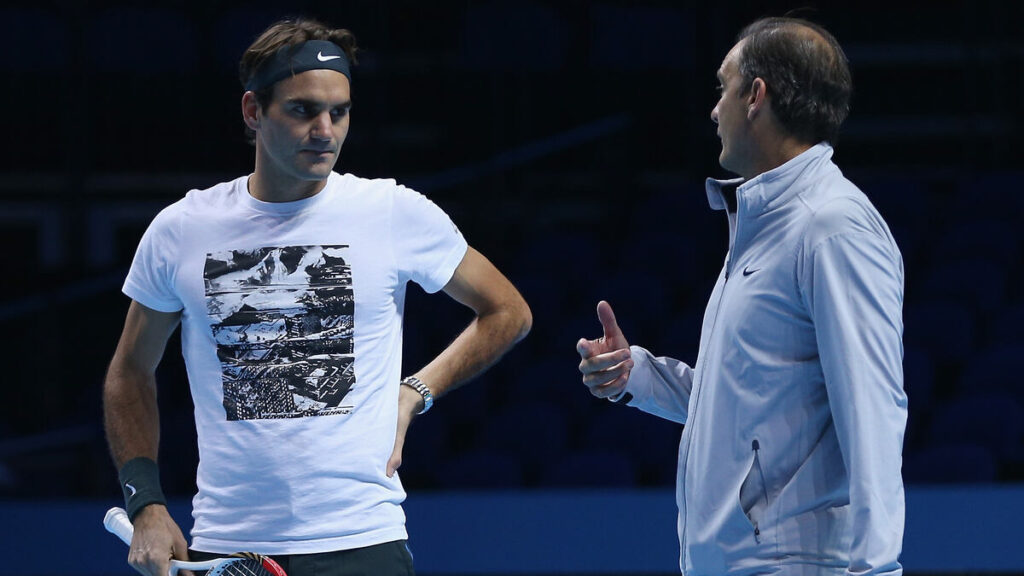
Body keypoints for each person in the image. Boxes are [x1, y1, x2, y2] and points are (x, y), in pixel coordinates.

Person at [103, 17, 531, 576]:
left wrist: (414, 392)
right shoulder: (182, 229)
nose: (325, 130)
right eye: (303, 110)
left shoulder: (392, 212)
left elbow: (508, 312)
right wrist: (147, 503)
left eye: (340, 111)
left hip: (364, 541)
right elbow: (130, 372)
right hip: (230, 547)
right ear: (254, 112)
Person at [576, 16, 906, 576]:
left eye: (722, 86)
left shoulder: (830, 226)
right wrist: (637, 376)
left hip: (794, 564)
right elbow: (749, 401)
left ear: (756, 96)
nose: (713, 109)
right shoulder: (765, 224)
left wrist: (878, 568)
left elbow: (871, 408)